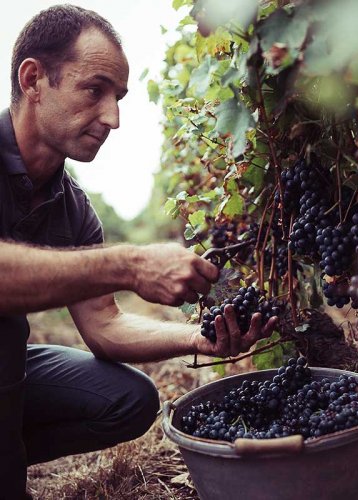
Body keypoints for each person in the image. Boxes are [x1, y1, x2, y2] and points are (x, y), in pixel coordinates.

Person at [0, 5, 277, 499]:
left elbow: (105, 326)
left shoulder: (72, 209)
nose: (113, 117)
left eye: (119, 98)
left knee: (129, 399)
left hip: (8, 371)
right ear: (33, 79)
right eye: (95, 89)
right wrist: (128, 264)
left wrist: (198, 337)